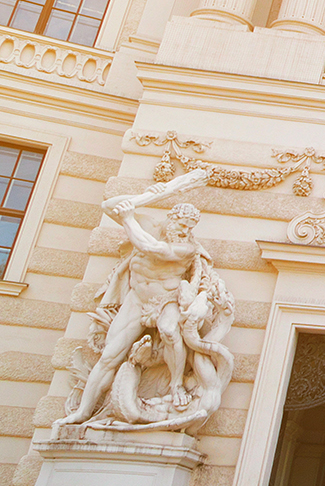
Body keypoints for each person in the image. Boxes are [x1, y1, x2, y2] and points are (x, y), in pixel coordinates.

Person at [57, 171, 211, 429]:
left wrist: (128, 217)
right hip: (137, 299)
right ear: (170, 219)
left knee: (170, 330)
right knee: (109, 357)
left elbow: (152, 248)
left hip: (166, 298)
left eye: (189, 228)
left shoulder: (187, 248)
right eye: (181, 225)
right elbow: (109, 205)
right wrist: (154, 195)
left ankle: (175, 385)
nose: (185, 231)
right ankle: (83, 412)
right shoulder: (148, 224)